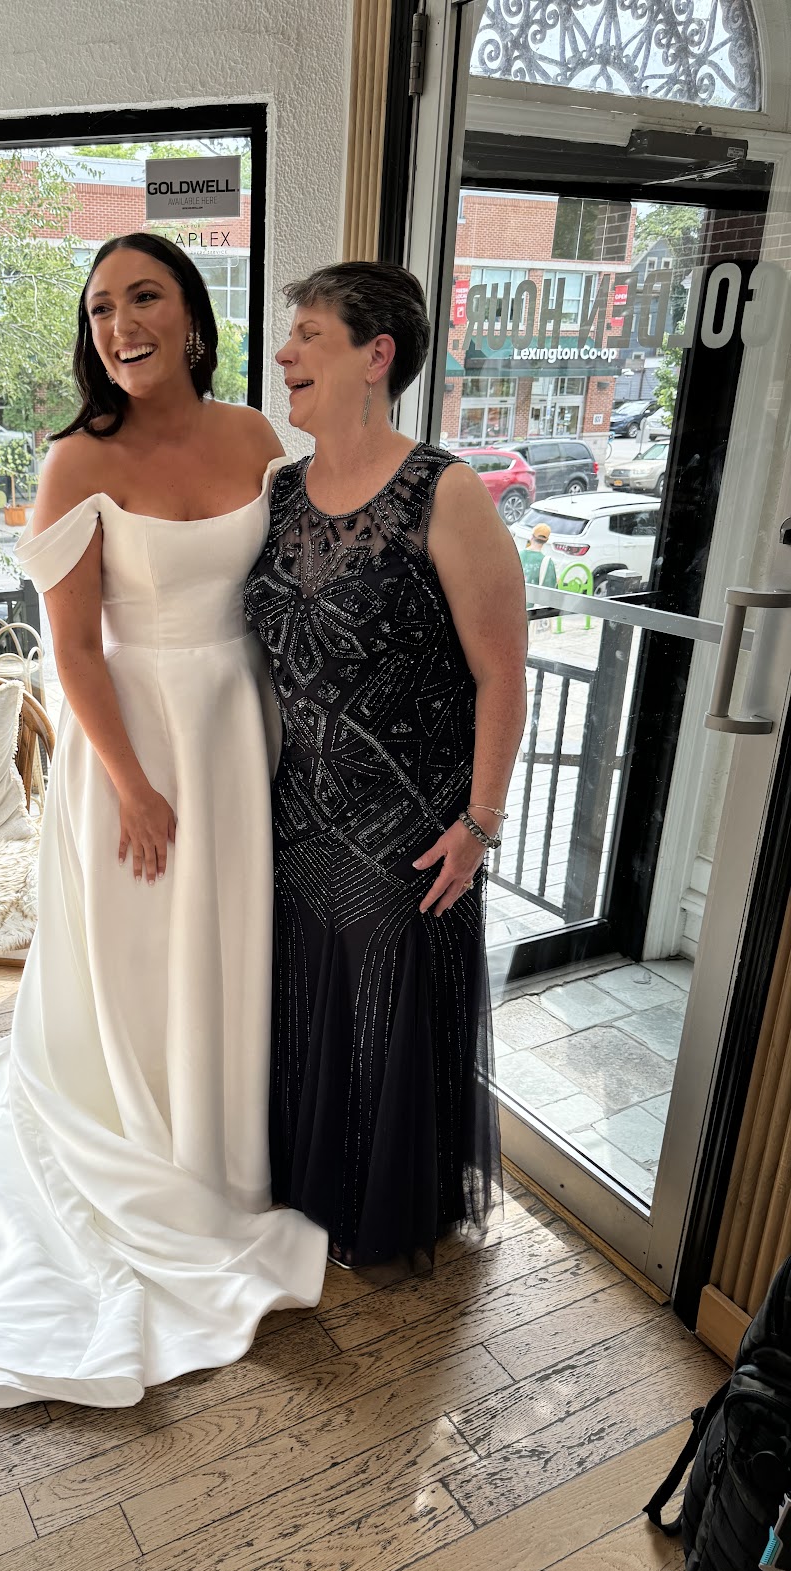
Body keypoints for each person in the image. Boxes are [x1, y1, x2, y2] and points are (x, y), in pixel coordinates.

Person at [0, 234, 328, 1409]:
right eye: (102, 308)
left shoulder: (256, 438)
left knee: (227, 945)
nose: (120, 325)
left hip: (237, 728)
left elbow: (292, 591)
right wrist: (134, 785)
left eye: (143, 297)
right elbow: (70, 651)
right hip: (133, 744)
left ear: (192, 316)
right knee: (143, 957)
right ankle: (155, 1152)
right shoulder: (76, 460)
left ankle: (228, 1149)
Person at [243, 261, 527, 1273]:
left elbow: (502, 674)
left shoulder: (445, 493)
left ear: (377, 356)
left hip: (409, 833)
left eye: (308, 336)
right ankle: (306, 1192)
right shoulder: (279, 492)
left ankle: (389, 1216)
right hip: (296, 819)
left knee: (386, 1033)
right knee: (307, 1018)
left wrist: (481, 824)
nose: (285, 354)